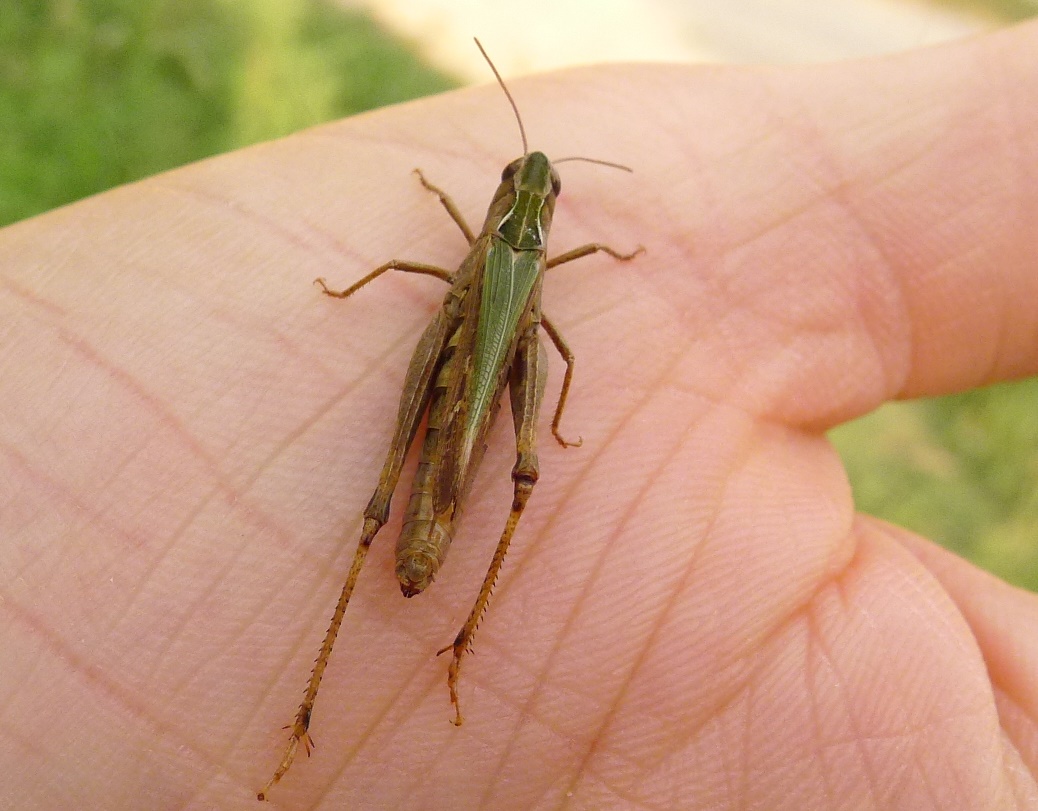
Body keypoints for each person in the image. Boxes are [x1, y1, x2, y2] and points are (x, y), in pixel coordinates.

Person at [2, 19, 1035, 810]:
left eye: (525, 190)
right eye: (523, 184)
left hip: (491, 356)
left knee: (483, 467)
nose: (525, 195)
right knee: (408, 477)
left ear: (510, 210)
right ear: (524, 209)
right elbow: (551, 343)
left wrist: (510, 387)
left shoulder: (503, 247)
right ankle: (342, 686)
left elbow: (511, 327)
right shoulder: (539, 255)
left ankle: (414, 655)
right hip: (468, 351)